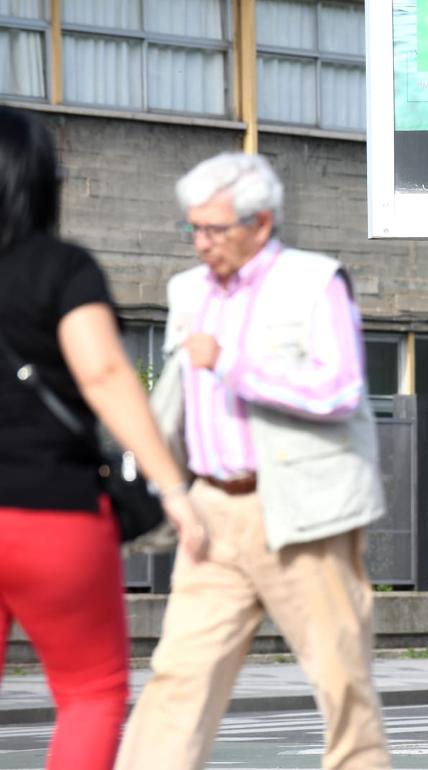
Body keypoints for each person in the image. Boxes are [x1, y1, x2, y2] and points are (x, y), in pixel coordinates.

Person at [117, 152, 391, 770]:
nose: (201, 243)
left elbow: (340, 388)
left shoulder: (316, 281)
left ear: (260, 223)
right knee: (177, 677)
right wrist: (168, 486)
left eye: (214, 229)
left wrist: (233, 364)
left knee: (342, 682)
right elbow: (178, 396)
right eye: (193, 228)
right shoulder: (186, 290)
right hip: (212, 509)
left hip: (303, 510)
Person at [0, 106, 206, 770]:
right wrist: (172, 488)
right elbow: (105, 372)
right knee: (90, 693)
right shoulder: (60, 268)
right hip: (52, 513)